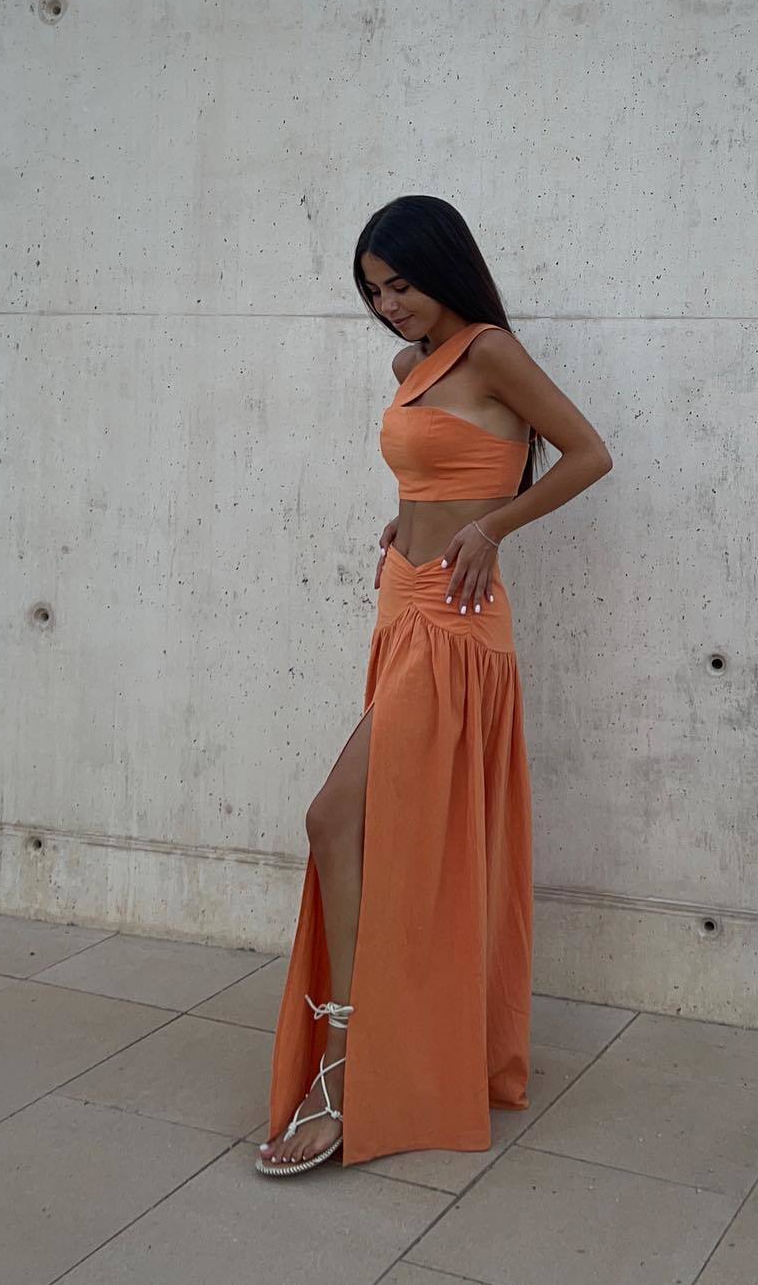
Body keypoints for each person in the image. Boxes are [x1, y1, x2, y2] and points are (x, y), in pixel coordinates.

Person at [255, 195, 613, 1175]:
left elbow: (589, 454)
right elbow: (439, 467)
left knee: (336, 817)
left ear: (443, 267)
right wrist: (410, 513)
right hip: (402, 601)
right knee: (384, 831)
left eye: (401, 283)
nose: (389, 305)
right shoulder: (408, 368)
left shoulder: (492, 351)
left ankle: (346, 1069)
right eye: (374, 291)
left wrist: (491, 526)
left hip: (457, 622)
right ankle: (375, 1053)